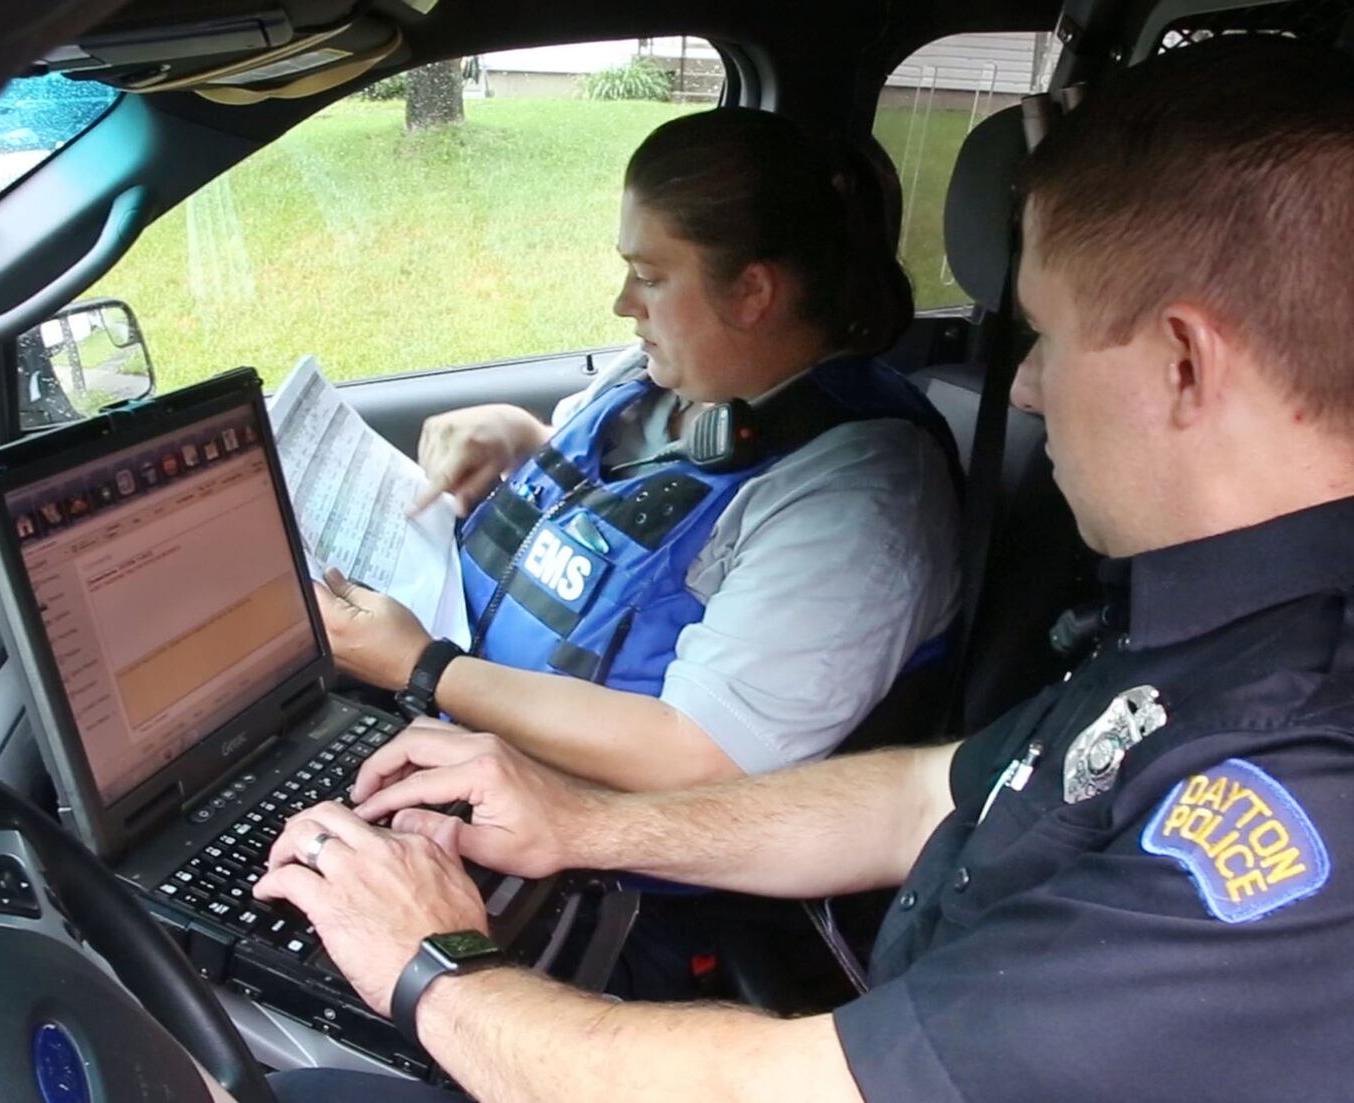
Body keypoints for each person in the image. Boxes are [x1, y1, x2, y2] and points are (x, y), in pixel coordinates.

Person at [240, 36, 1354, 1101]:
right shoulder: (1209, 626)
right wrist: (579, 820)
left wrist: (431, 964)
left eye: (1046, 341)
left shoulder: (1301, 788)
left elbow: (801, 1086)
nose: (1019, 389)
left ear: (1179, 361)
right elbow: (924, 790)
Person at [315, 107, 962, 792]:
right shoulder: (659, 380)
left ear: (751, 291)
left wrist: (423, 666)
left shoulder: (863, 505)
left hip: (600, 864)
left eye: (649, 276)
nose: (624, 302)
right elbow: (639, 524)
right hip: (451, 750)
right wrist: (521, 439)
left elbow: (698, 756)